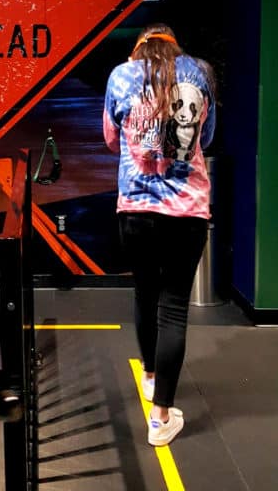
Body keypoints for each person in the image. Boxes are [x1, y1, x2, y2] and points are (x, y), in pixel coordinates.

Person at [103, 23, 216, 447]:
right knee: (173, 309)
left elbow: (110, 140)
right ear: (174, 46)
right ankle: (161, 417)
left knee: (144, 294)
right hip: (186, 210)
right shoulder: (200, 72)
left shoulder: (121, 75)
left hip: (136, 208)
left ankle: (150, 376)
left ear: (139, 48)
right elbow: (206, 136)